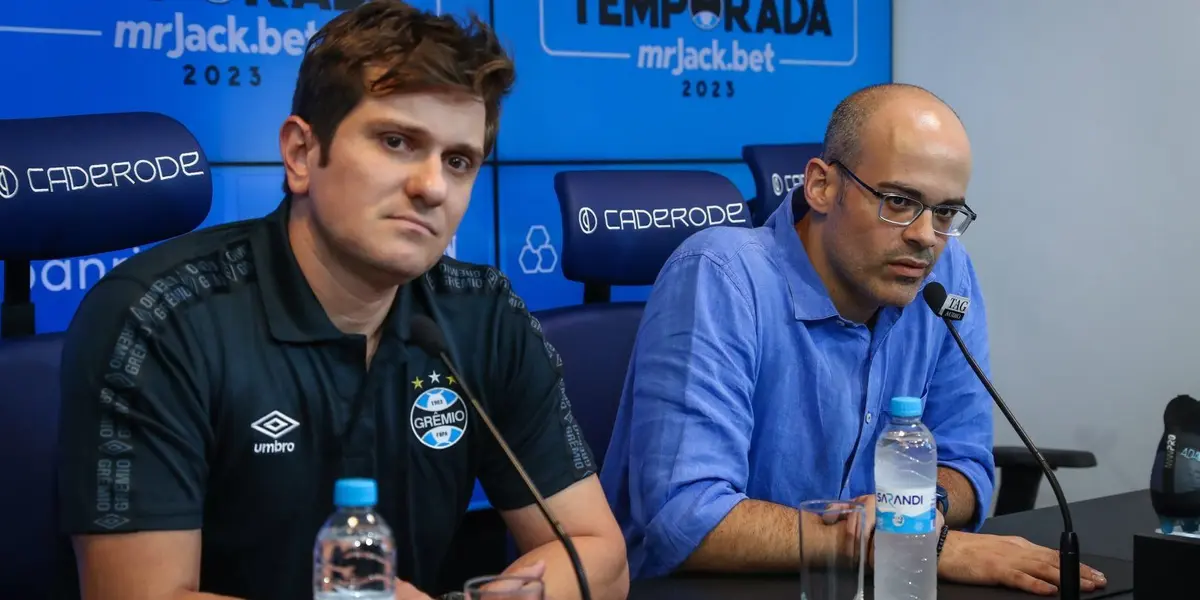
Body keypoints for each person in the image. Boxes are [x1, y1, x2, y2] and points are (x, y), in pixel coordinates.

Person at [55, 2, 629, 600]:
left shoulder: (483, 315)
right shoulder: (159, 317)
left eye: (458, 161)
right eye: (397, 141)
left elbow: (600, 557)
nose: (432, 187)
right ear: (302, 154)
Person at [599, 83, 1107, 596]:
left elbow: (966, 464)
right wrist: (900, 540)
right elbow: (685, 520)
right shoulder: (720, 275)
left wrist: (925, 507)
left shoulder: (943, 273)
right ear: (821, 186)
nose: (926, 236)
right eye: (899, 201)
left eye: (946, 212)